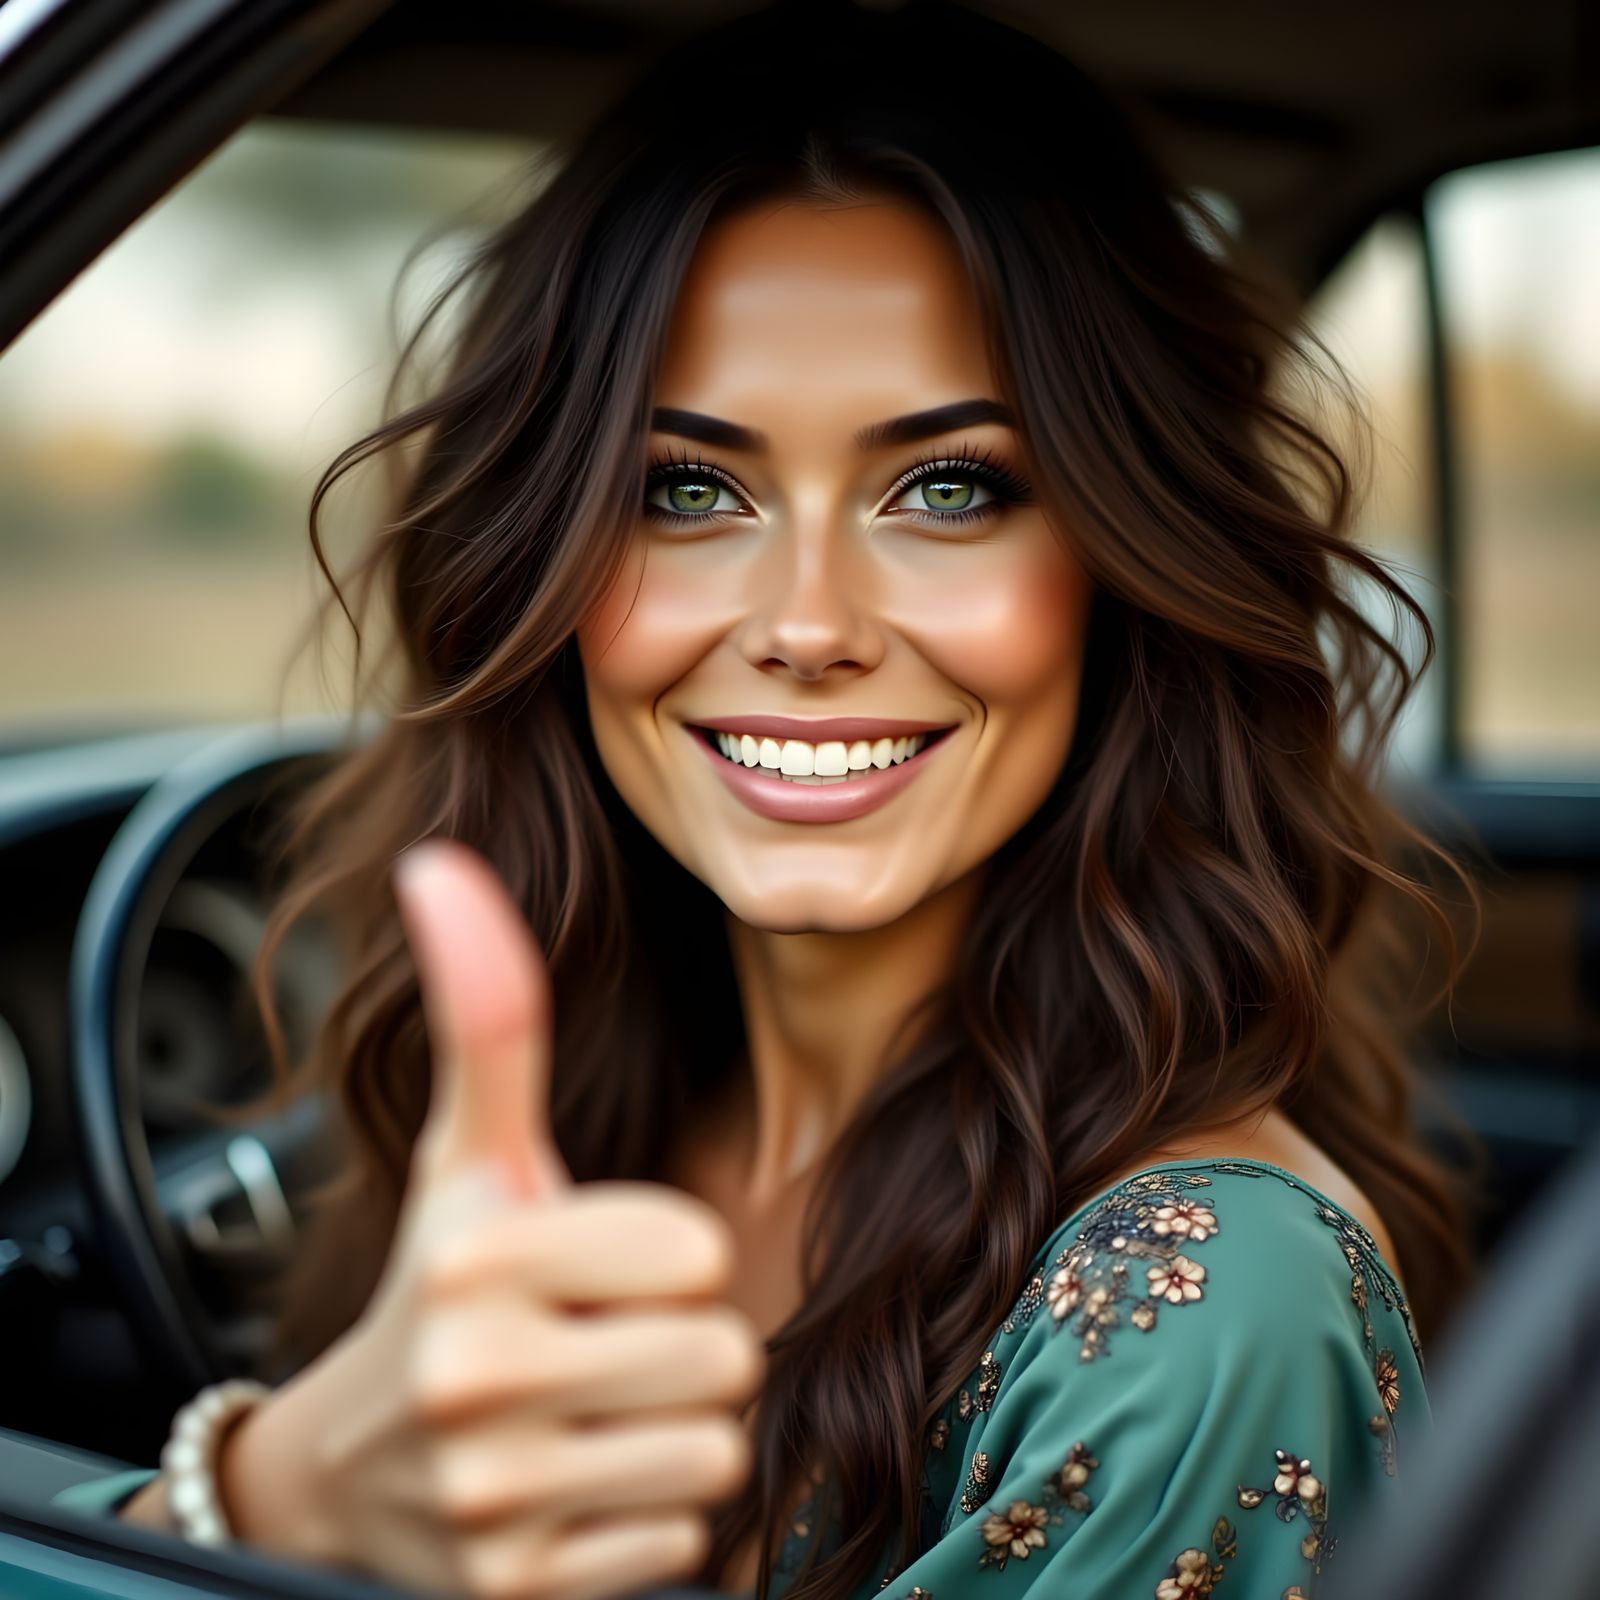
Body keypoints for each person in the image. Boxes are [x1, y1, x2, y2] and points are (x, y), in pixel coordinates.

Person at [54, 1, 1485, 1596]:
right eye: (689, 490)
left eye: (948, 488)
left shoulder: (1209, 1313)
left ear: (1120, 562)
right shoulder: (586, 1105)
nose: (808, 625)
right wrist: (274, 1491)